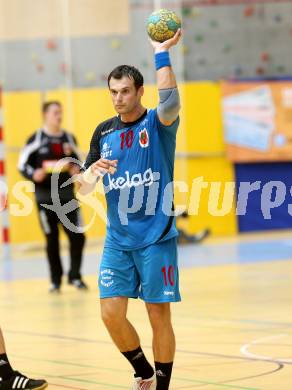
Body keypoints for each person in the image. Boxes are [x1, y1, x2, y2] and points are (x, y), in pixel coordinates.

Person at [79, 30, 182, 389]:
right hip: (118, 239)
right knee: (110, 313)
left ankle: (161, 386)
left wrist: (161, 53)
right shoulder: (103, 132)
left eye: (125, 91)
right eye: (113, 91)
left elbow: (170, 101)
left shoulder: (158, 122)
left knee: (158, 316)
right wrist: (88, 174)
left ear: (140, 91)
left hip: (156, 236)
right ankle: (143, 371)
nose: (119, 98)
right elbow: (82, 189)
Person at [18, 101, 87, 293]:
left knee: (78, 237)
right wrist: (33, 174)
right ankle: (55, 281)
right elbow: (22, 164)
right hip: (45, 200)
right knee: (52, 240)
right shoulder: (36, 138)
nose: (59, 116)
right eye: (55, 112)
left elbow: (79, 163)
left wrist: (76, 171)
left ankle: (75, 276)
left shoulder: (68, 138)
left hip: (67, 197)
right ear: (45, 115)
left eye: (61, 112)